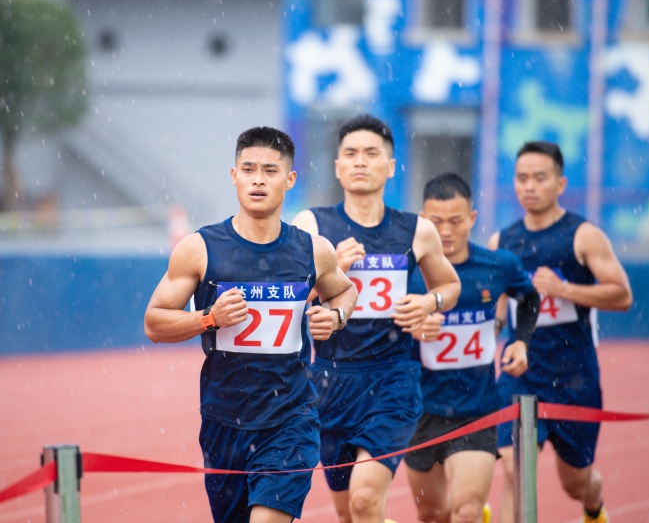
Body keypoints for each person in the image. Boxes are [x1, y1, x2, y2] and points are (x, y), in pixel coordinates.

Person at [144, 126, 358, 523]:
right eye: (249, 169)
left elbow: (345, 292)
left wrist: (337, 316)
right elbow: (154, 323)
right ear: (234, 176)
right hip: (225, 421)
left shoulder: (313, 250)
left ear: (290, 179)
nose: (258, 179)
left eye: (270, 170)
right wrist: (209, 318)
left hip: (291, 418)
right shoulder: (200, 248)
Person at [291, 114, 461, 523]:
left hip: (392, 379)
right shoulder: (311, 227)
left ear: (391, 166)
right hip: (330, 381)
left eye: (371, 153)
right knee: (350, 512)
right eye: (350, 154)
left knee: (365, 500)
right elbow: (289, 303)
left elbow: (450, 286)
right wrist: (331, 273)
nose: (360, 161)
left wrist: (429, 302)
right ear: (337, 167)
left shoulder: (417, 230)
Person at [490, 141, 633, 523]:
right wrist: (490, 328)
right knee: (514, 471)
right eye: (522, 178)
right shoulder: (502, 243)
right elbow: (498, 311)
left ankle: (593, 505)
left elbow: (622, 295)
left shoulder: (583, 235)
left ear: (560, 183)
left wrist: (564, 289)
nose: (529, 186)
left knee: (576, 483)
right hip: (522, 375)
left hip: (575, 379)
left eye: (539, 177)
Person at [403, 173, 540, 523]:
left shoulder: (498, 265)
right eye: (437, 222)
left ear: (473, 219)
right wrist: (411, 330)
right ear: (423, 220)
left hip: (476, 408)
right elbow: (381, 329)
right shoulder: (407, 271)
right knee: (434, 515)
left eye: (456, 221)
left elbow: (529, 299)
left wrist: (520, 341)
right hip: (420, 410)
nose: (446, 231)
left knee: (465, 511)